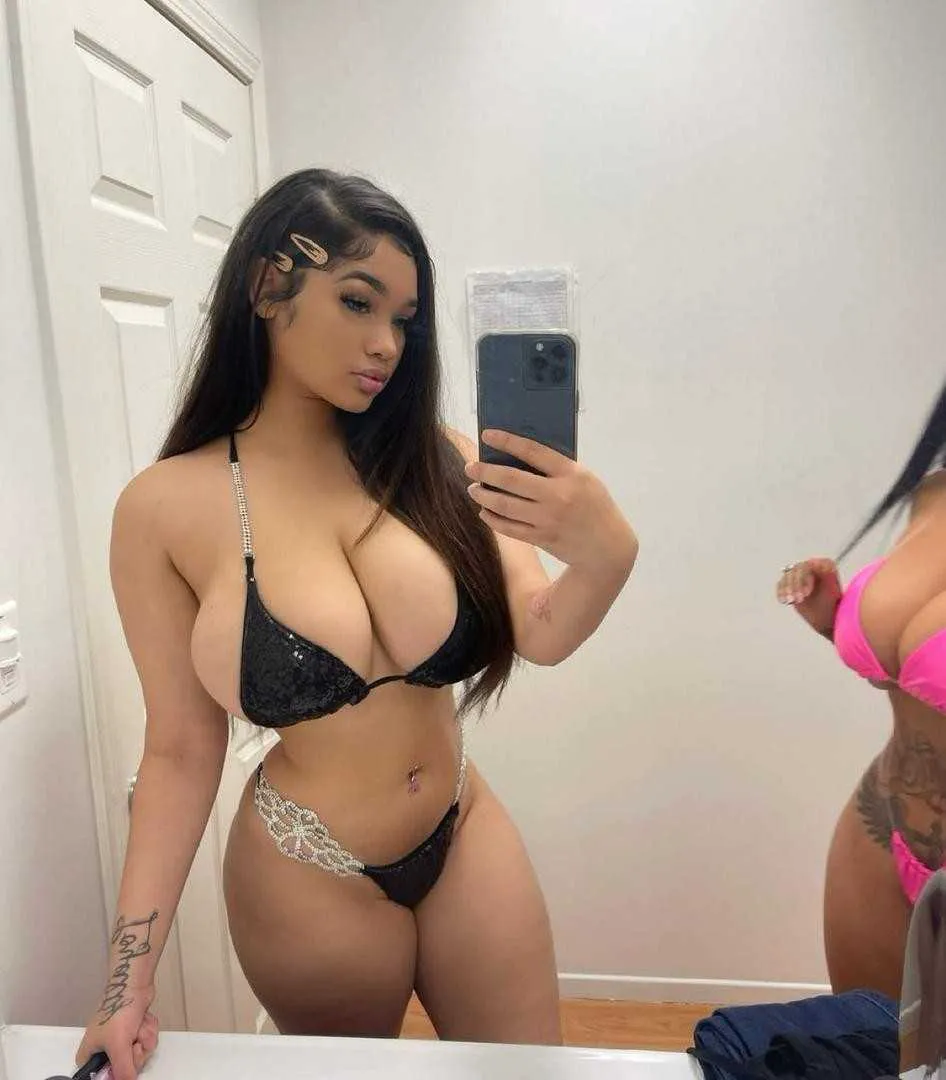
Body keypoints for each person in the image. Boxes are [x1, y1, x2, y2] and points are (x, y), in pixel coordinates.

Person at [75, 168, 638, 1080]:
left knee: (532, 1073)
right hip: (308, 870)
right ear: (268, 287)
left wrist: (607, 556)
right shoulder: (163, 510)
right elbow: (179, 751)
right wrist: (123, 987)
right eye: (357, 301)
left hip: (463, 828)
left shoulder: (440, 459)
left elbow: (541, 629)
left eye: (404, 319)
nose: (386, 344)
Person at [777, 380, 946, 1000]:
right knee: (865, 1045)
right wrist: (834, 621)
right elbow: (920, 677)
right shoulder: (933, 491)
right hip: (879, 834)